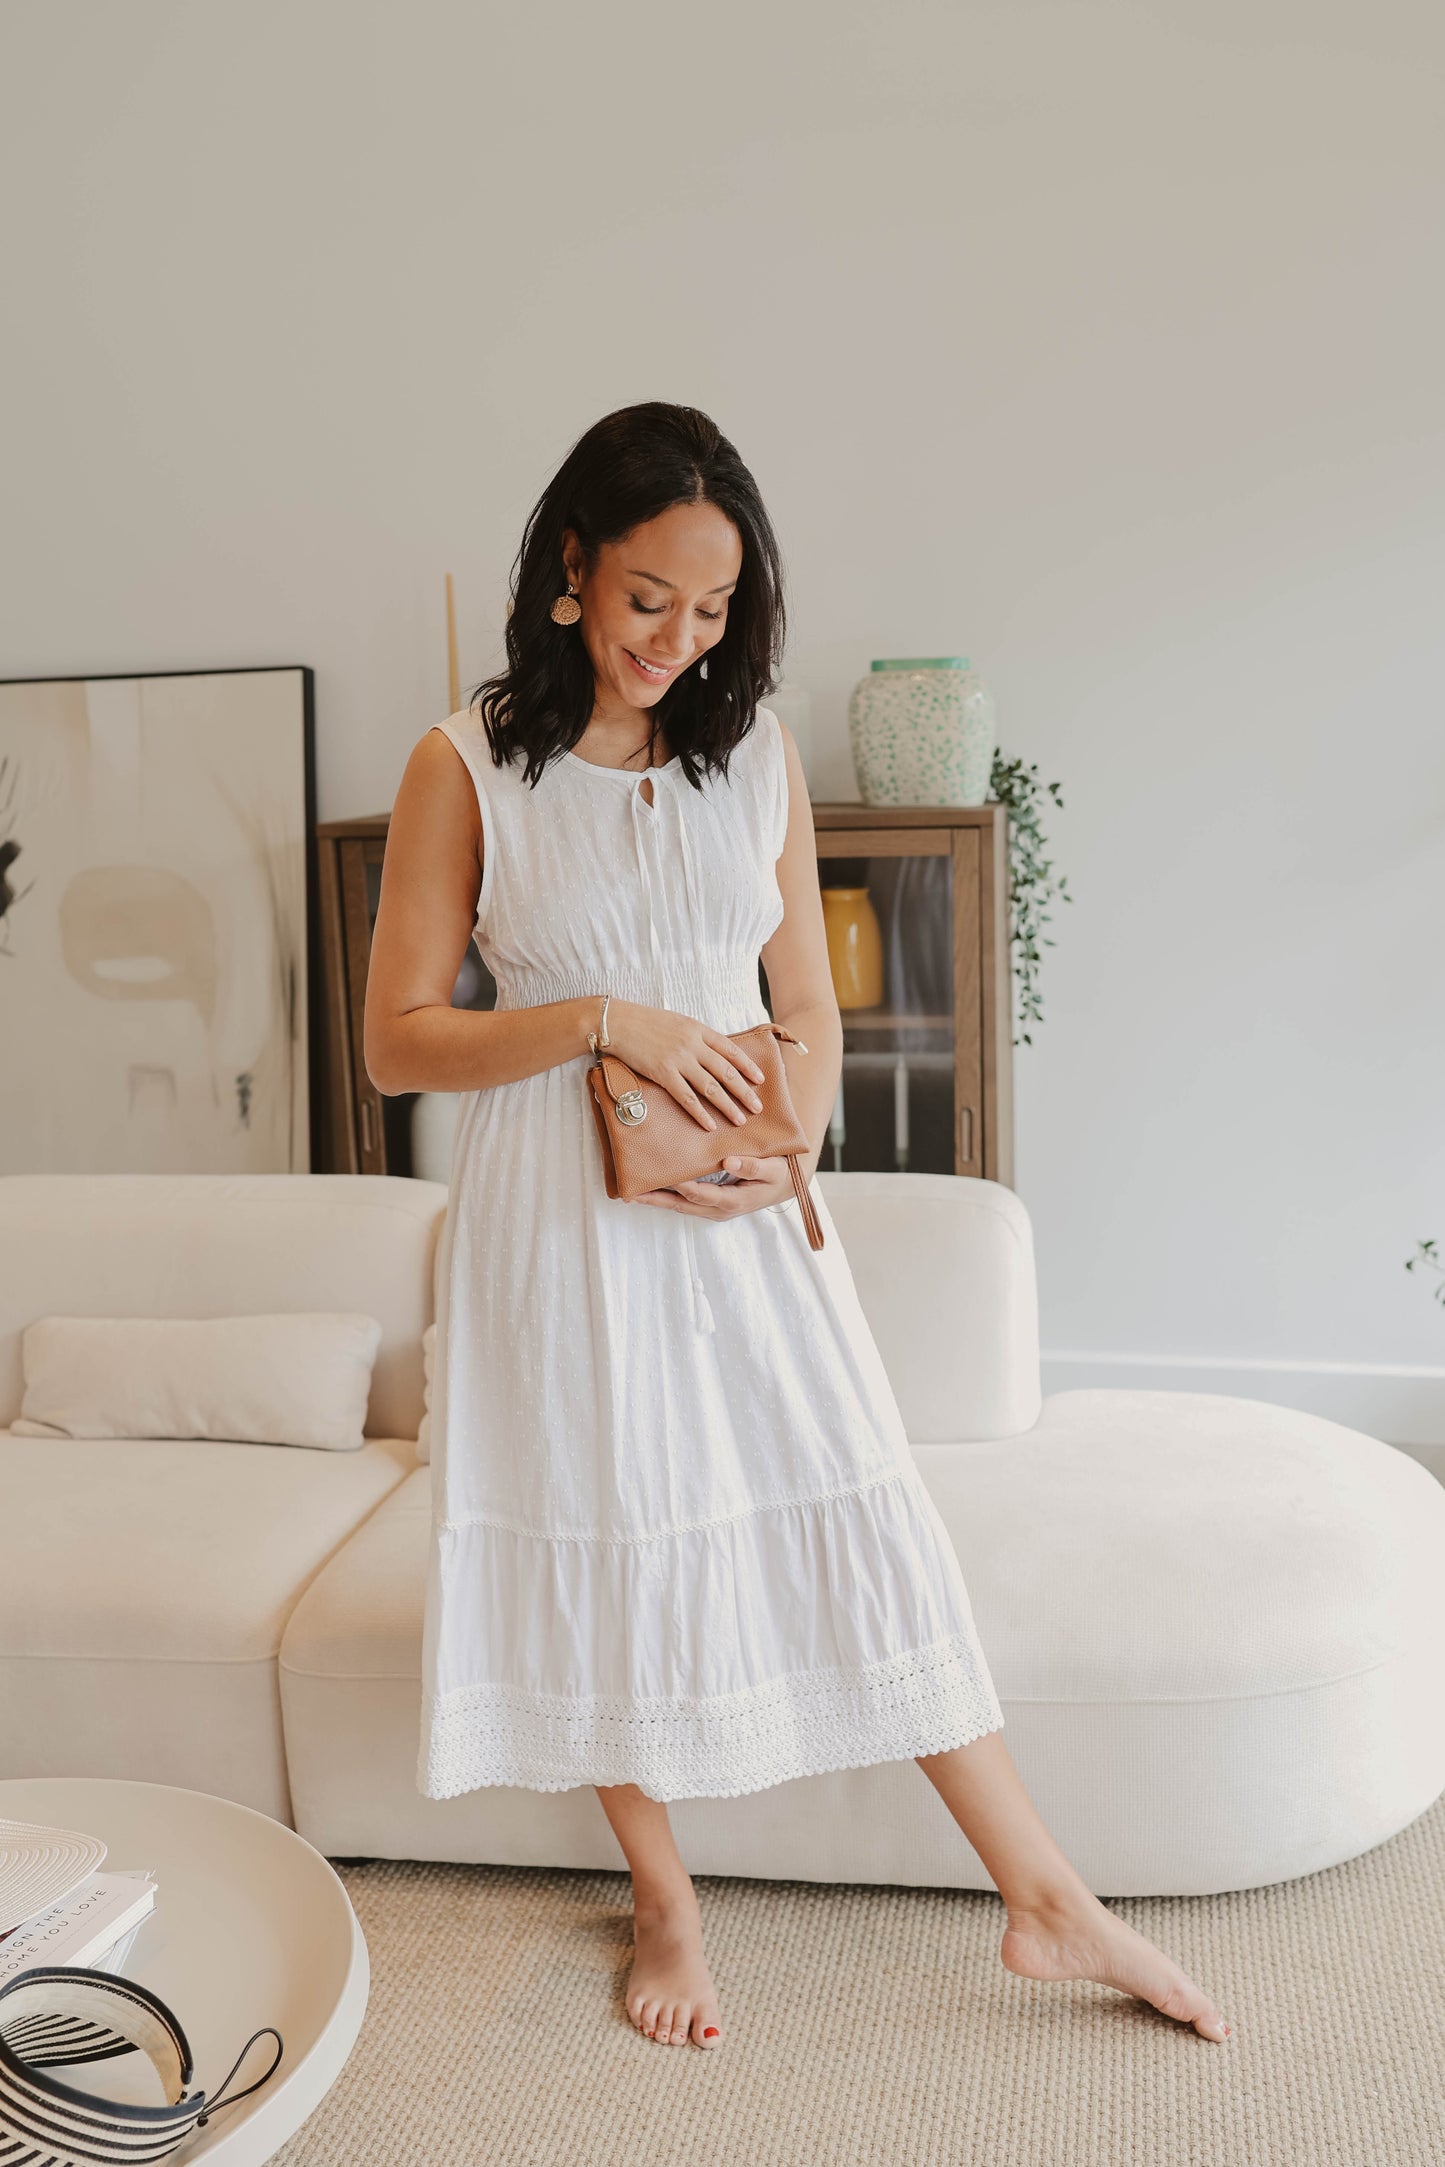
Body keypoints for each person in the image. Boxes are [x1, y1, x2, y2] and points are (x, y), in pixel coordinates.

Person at [365, 401, 1230, 2054]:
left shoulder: (745, 752)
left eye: (709, 613)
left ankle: (1042, 1896)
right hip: (559, 1211)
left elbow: (803, 1010)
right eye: (644, 602)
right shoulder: (463, 763)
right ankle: (666, 1900)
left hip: (748, 1205)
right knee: (605, 1529)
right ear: (567, 568)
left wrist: (796, 1134)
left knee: (859, 1508)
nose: (674, 644)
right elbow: (398, 1037)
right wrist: (603, 1016)